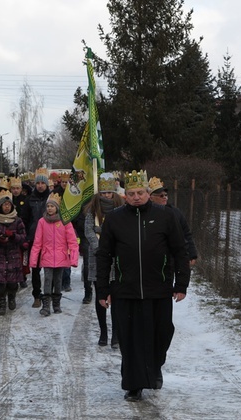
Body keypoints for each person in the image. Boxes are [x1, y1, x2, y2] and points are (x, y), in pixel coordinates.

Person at [96, 170, 190, 402]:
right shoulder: (115, 219)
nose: (136, 197)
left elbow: (180, 251)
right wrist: (103, 289)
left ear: (148, 193)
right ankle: (134, 384)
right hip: (125, 290)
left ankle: (155, 367)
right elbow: (104, 256)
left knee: (162, 333)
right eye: (131, 193)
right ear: (125, 195)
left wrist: (181, 283)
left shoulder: (165, 217)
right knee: (130, 339)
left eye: (140, 193)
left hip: (158, 288)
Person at [84, 173, 124, 347]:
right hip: (97, 257)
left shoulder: (121, 209)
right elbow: (88, 230)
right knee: (100, 294)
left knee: (115, 296)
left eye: (109, 193)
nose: (107, 196)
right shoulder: (93, 210)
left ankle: (116, 334)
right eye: (104, 193)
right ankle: (103, 333)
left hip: (116, 257)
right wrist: (98, 247)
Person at [29, 192, 79, 316]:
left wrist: (73, 259)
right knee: (47, 279)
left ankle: (56, 303)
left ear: (57, 207)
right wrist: (33, 260)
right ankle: (46, 305)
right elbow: (37, 242)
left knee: (58, 280)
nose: (50, 208)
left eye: (52, 206)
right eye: (48, 206)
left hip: (61, 256)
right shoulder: (42, 222)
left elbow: (72, 241)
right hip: (47, 256)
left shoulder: (65, 221)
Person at [0, 190, 27, 315]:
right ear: (0, 206)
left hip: (13, 255)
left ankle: (12, 297)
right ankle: (1, 305)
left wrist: (13, 236)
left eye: (9, 205)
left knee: (13, 282)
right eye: (4, 204)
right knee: (0, 283)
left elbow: (23, 236)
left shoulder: (17, 220)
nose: (7, 207)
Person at [148, 176, 199, 266]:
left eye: (166, 195)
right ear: (151, 197)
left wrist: (192, 253)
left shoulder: (175, 212)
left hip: (171, 257)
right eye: (161, 195)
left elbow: (186, 233)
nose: (165, 197)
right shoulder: (146, 213)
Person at [21, 168, 51, 308]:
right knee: (36, 269)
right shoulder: (29, 200)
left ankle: (49, 295)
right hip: (34, 239)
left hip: (50, 239)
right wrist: (26, 237)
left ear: (46, 185)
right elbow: (25, 220)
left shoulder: (51, 199)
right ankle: (37, 295)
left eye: (42, 183)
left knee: (50, 269)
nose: (40, 185)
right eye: (38, 183)